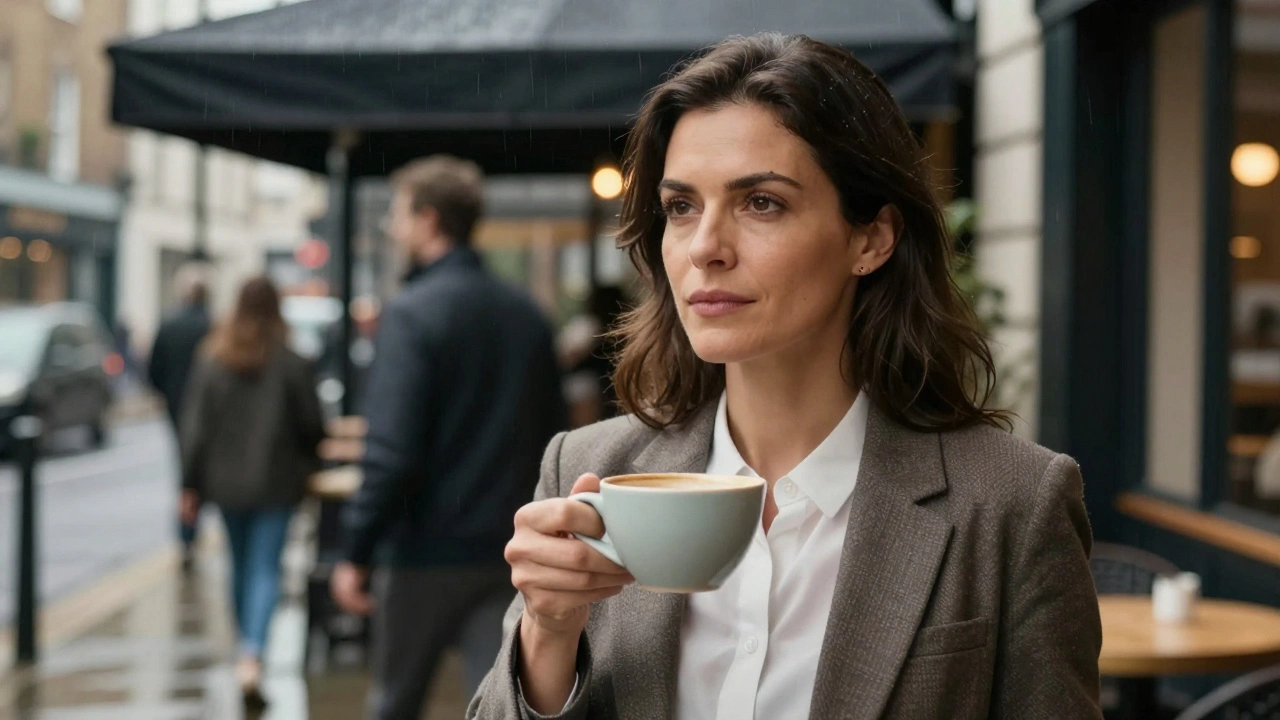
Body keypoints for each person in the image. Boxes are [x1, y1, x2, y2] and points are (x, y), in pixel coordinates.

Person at [469, 33, 1103, 720]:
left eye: (761, 203)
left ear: (871, 239)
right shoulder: (590, 471)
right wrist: (549, 632)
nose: (705, 248)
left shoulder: (1010, 504)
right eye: (681, 207)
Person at [330, 155, 567, 720]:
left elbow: (390, 452)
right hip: (508, 549)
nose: (393, 228)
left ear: (429, 219)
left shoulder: (412, 314)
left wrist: (354, 552)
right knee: (500, 705)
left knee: (395, 702)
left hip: (423, 553)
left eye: (399, 214)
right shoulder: (527, 315)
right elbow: (555, 436)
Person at [179, 277, 325, 709]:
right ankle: (251, 655)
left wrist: (189, 484)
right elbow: (312, 426)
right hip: (276, 482)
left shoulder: (212, 358)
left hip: (225, 485)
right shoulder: (292, 361)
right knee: (265, 568)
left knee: (240, 566)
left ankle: (247, 645)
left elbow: (195, 428)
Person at [147, 264, 212, 569]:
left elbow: (152, 371)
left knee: (185, 470)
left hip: (177, 407)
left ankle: (186, 536)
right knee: (200, 469)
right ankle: (190, 533)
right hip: (208, 411)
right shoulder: (212, 326)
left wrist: (168, 394)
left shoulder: (169, 325)